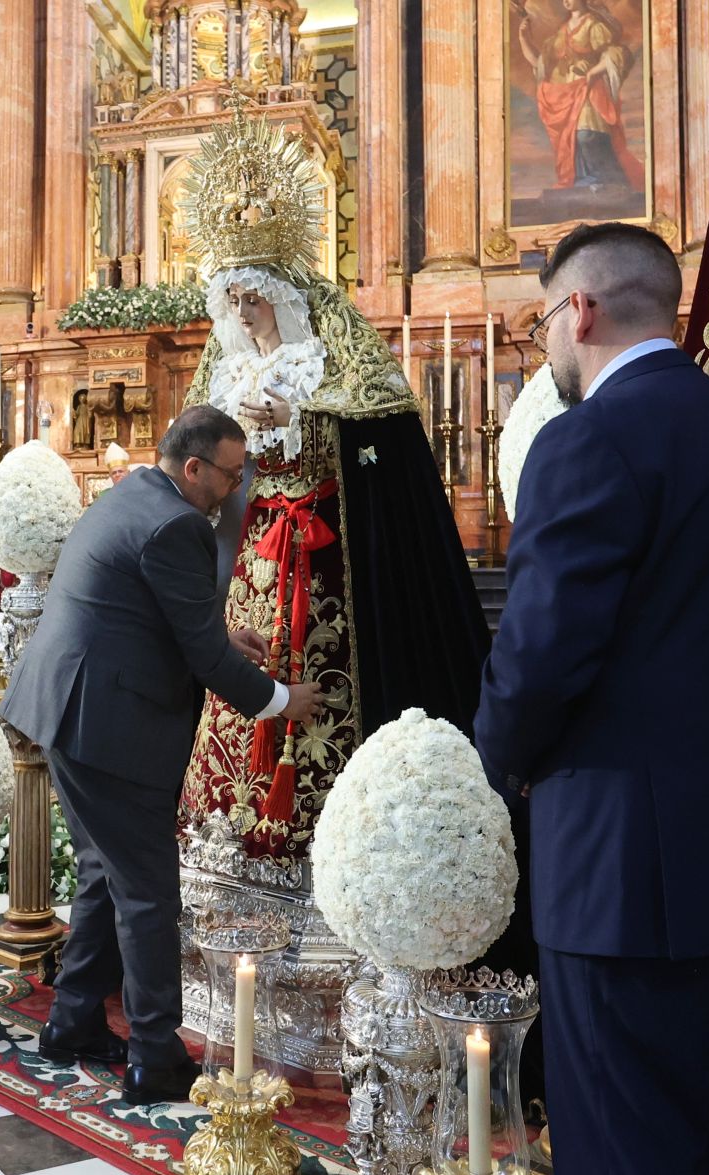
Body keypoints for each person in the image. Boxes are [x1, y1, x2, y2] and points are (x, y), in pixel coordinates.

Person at [475, 223, 709, 1175]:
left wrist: (495, 768)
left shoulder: (585, 441)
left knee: (627, 1163)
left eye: (544, 322)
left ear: (576, 312)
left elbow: (539, 655)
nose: (546, 347)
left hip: (624, 872)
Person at [0, 406, 320, 1105]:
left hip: (67, 708)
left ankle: (75, 1017)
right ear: (193, 466)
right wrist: (278, 700)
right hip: (106, 725)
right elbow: (200, 655)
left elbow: (147, 607)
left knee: (99, 871)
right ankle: (155, 1055)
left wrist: (221, 631)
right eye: (229, 476)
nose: (235, 491)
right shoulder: (178, 524)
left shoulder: (132, 494)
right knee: (147, 892)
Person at [177, 178, 489, 864]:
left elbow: (382, 434)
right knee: (244, 652)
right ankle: (233, 819)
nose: (244, 312)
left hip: (322, 550)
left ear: (282, 298)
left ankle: (327, 821)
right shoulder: (227, 369)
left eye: (253, 297)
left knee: (321, 657)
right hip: (255, 544)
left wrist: (302, 419)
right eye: (233, 300)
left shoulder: (323, 361)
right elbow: (193, 453)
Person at [516, 0, 645, 192]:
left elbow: (619, 54)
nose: (565, 1)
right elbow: (540, 64)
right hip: (567, 92)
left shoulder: (593, 25)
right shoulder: (561, 32)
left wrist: (593, 73)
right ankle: (583, 181)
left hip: (589, 90)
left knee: (587, 135)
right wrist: (523, 38)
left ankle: (605, 179)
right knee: (572, 140)